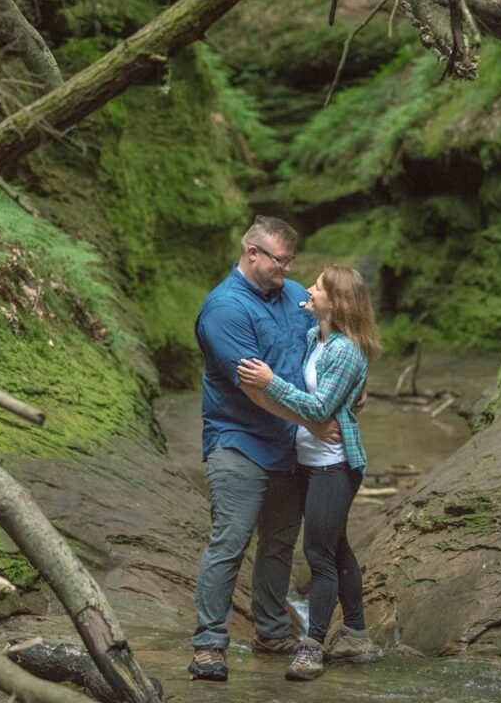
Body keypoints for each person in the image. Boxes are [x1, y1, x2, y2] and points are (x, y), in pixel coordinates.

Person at [188, 215, 338, 682]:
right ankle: (208, 646)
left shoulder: (295, 296)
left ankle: (272, 631)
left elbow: (328, 343)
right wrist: (313, 421)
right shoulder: (225, 310)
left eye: (291, 261)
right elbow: (255, 389)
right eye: (279, 260)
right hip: (238, 442)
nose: (286, 268)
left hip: (288, 446)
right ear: (252, 253)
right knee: (230, 542)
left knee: (278, 544)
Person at [238, 264, 381, 682]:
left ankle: (313, 646)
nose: (309, 290)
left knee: (318, 555)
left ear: (335, 303)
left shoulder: (345, 351)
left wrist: (269, 382)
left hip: (333, 467)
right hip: (309, 462)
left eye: (317, 287)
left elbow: (319, 411)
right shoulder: (315, 337)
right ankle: (356, 634)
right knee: (336, 549)